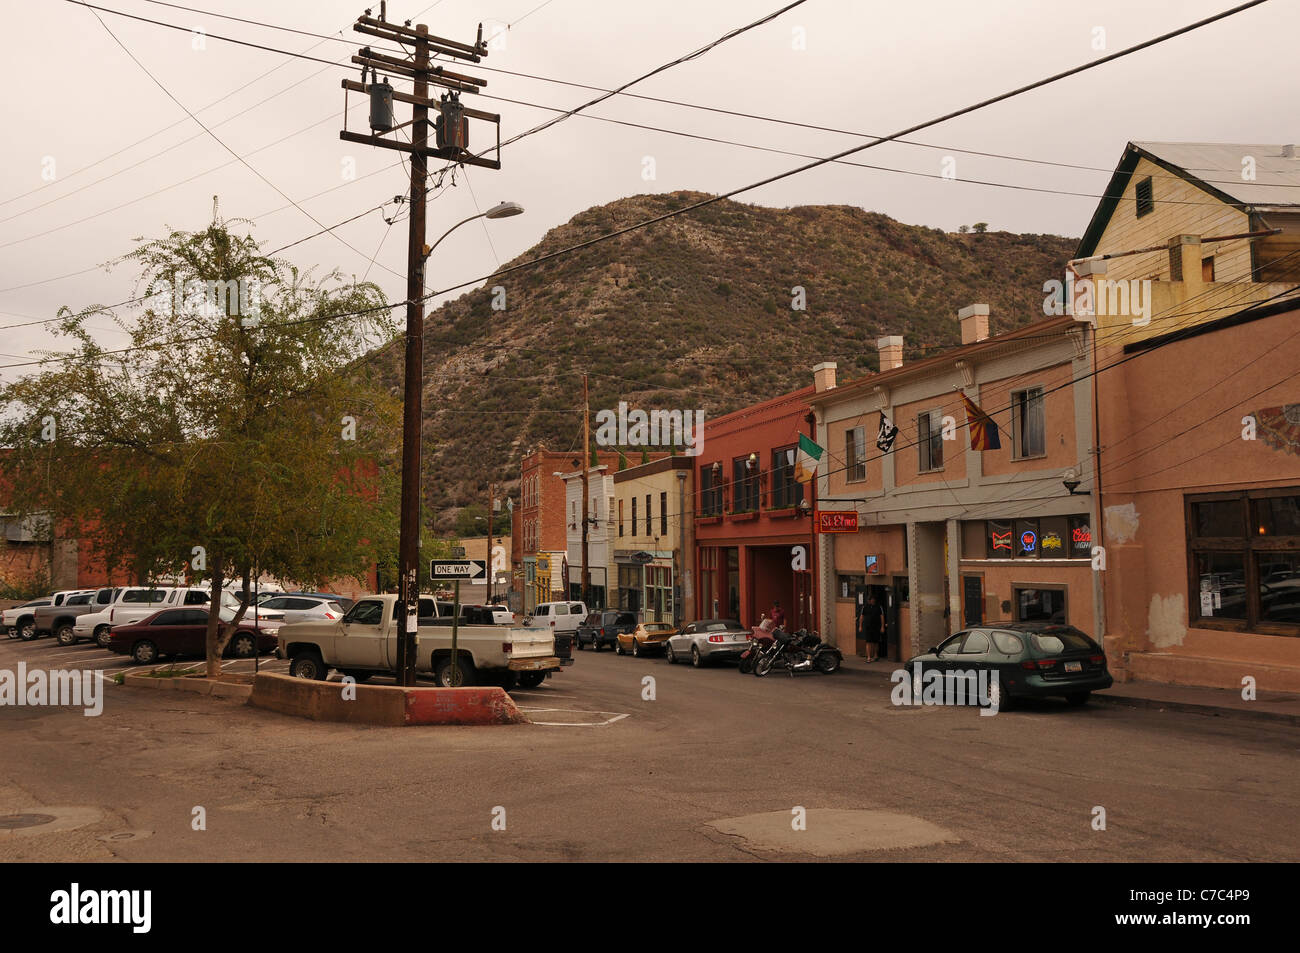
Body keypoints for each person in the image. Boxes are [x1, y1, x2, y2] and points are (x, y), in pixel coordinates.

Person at [861, 594, 884, 662]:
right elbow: (862, 616)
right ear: (869, 600)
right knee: (868, 642)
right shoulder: (865, 607)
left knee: (876, 642)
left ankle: (875, 655)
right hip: (868, 627)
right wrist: (860, 626)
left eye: (873, 599)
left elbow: (882, 617)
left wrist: (882, 626)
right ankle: (868, 657)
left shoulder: (878, 607)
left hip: (876, 627)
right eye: (871, 599)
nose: (872, 600)